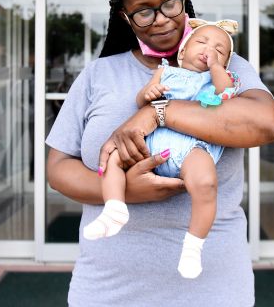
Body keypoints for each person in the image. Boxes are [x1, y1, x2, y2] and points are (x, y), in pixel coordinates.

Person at [45, 0, 274, 306]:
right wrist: (126, 190)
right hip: (108, 288)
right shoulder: (99, 75)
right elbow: (59, 167)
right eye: (144, 11)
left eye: (170, 3)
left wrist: (160, 112)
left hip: (213, 290)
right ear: (125, 17)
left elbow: (265, 124)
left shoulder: (229, 66)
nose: (162, 20)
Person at [83, 18, 241, 279]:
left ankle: (193, 247)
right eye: (201, 42)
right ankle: (114, 209)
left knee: (205, 183)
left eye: (220, 50)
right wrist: (149, 92)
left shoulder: (219, 80)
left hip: (194, 147)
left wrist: (215, 67)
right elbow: (142, 98)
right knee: (113, 158)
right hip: (155, 141)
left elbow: (225, 92)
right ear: (183, 50)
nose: (209, 49)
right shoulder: (166, 71)